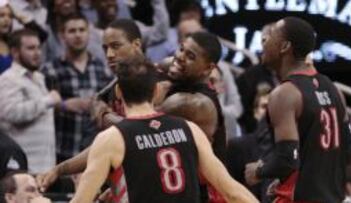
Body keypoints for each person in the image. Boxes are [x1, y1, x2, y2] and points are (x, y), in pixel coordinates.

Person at [69, 58, 258, 203]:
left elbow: (81, 200)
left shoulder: (112, 139)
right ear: (157, 90)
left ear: (118, 91)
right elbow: (232, 191)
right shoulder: (189, 129)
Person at [244, 17, 351, 203]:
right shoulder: (334, 90)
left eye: (270, 36)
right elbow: (349, 151)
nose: (263, 40)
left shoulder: (284, 94)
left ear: (284, 46)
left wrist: (258, 170)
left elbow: (287, 159)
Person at [42, 13, 113, 162]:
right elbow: (40, 110)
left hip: (97, 151)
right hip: (62, 151)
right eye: (72, 31)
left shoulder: (103, 68)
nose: (78, 35)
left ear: (89, 33)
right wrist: (63, 105)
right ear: (62, 35)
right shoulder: (50, 70)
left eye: (82, 30)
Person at [0, 29, 61, 173]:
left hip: (45, 165)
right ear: (15, 52)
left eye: (38, 47)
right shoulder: (8, 79)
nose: (37, 53)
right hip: (21, 168)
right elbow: (10, 112)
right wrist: (48, 100)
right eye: (31, 48)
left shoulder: (39, 77)